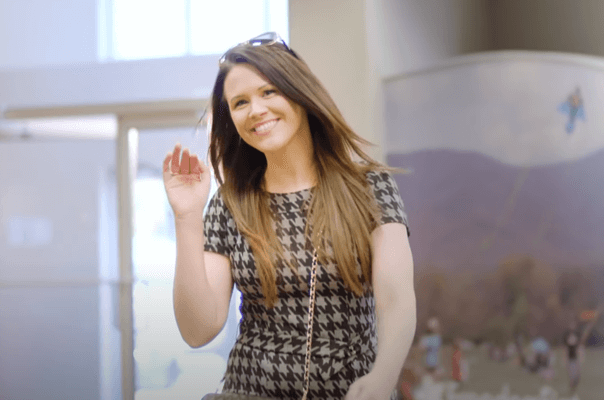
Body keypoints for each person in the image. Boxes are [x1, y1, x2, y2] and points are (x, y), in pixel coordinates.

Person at [162, 32, 416, 400]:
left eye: (268, 92)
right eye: (240, 103)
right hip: (248, 391)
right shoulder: (230, 203)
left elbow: (395, 296)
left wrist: (385, 374)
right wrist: (187, 218)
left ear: (300, 93)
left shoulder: (369, 188)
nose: (256, 111)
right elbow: (198, 330)